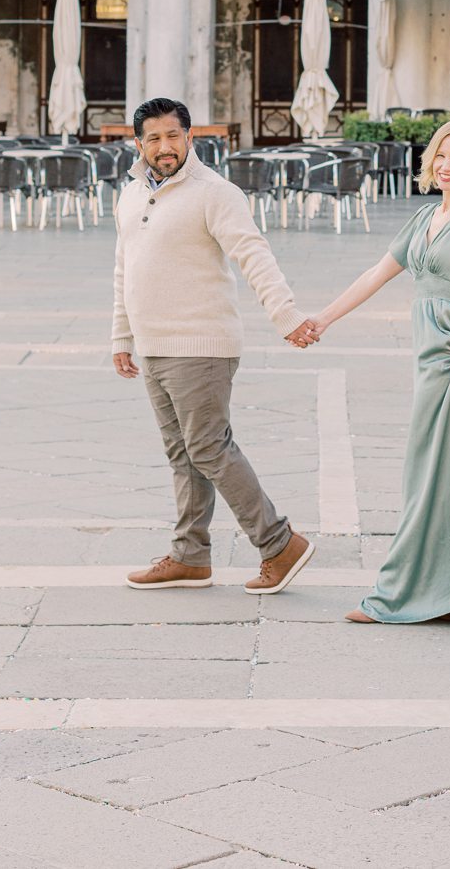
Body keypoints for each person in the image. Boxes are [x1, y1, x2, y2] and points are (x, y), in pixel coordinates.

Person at [310, 118, 450, 627]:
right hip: (426, 352)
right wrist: (322, 319)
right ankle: (438, 587)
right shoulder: (426, 215)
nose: (447, 165)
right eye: (441, 155)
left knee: (439, 469)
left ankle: (409, 591)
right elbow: (376, 274)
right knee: (429, 468)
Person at [114, 97, 321, 595]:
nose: (165, 147)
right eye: (154, 138)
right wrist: (122, 336)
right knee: (181, 453)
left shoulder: (215, 192)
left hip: (201, 342)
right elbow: (125, 268)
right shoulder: (130, 194)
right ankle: (190, 556)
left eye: (174, 136)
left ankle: (279, 543)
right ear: (138, 143)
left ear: (191, 138)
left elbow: (253, 254)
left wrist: (285, 315)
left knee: (208, 447)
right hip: (154, 344)